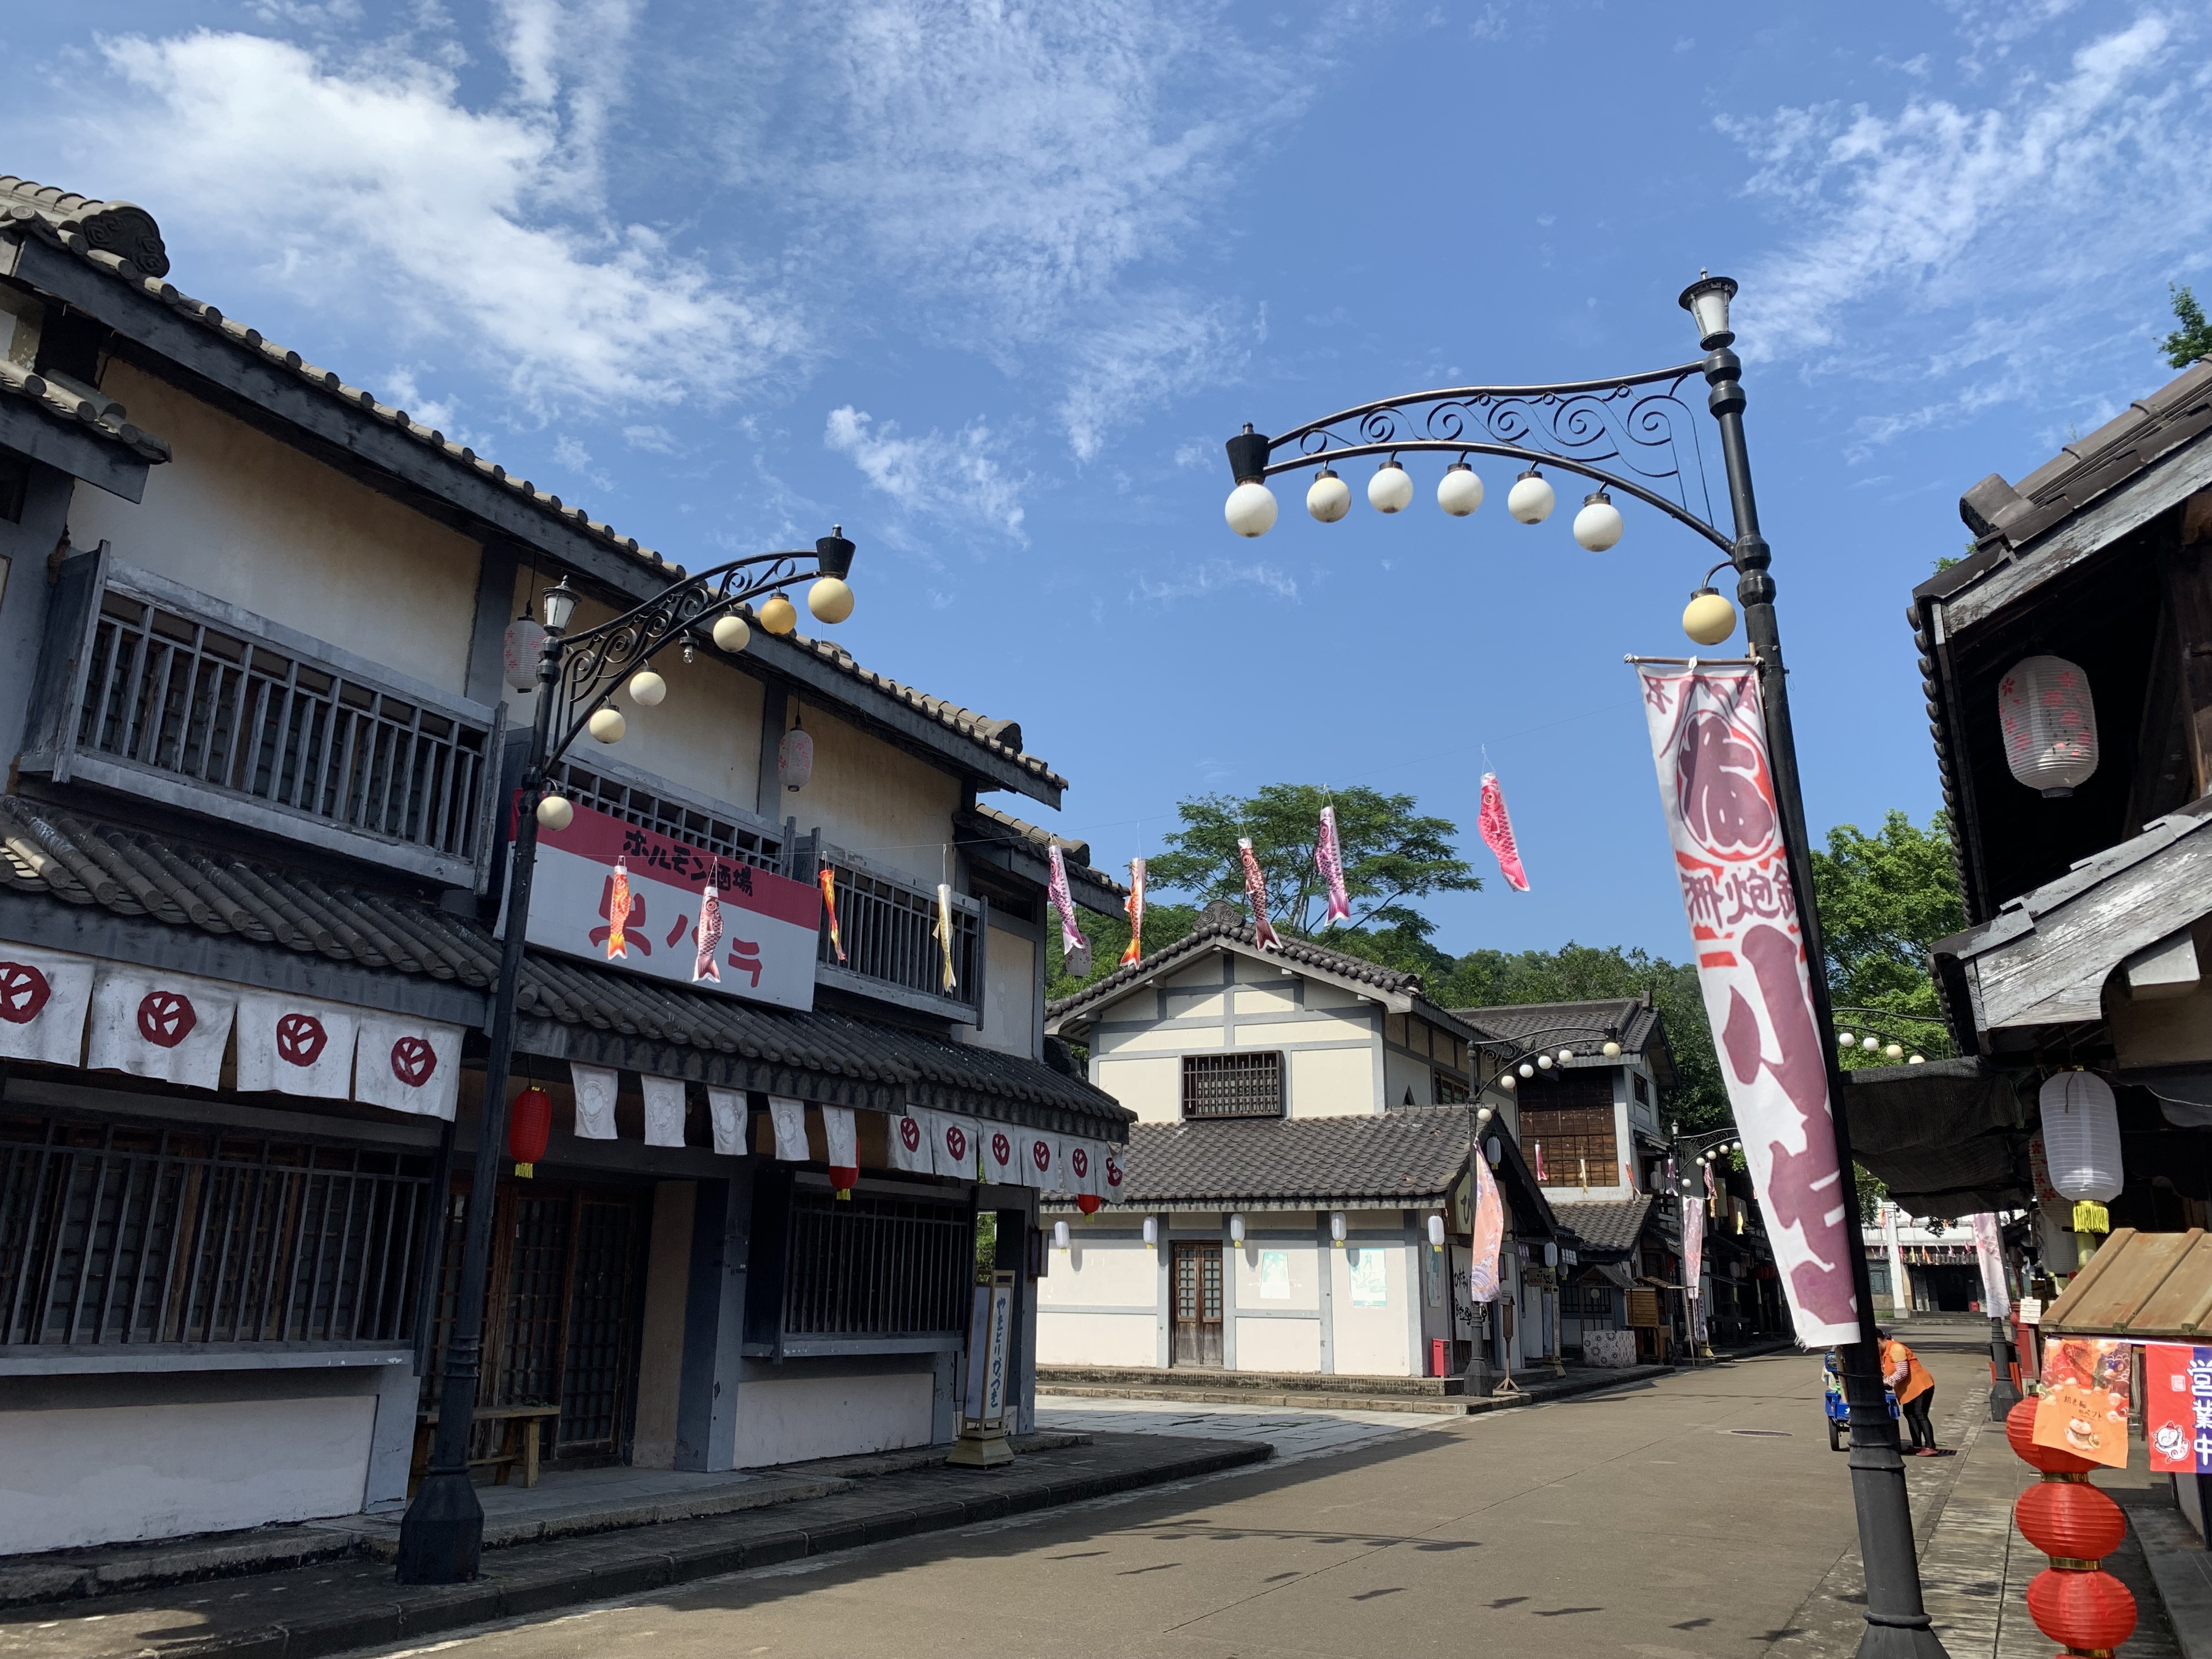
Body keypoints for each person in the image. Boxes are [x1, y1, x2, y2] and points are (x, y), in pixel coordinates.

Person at [1879, 1328, 1938, 1454]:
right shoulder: (1883, 1353)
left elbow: (1902, 1372)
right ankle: (1917, 1445)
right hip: (1909, 1389)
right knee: (1909, 1414)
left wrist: (1887, 1382)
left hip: (1921, 1385)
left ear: (1879, 1341)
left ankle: (1930, 1447)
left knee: (1920, 1414)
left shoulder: (1896, 1349)